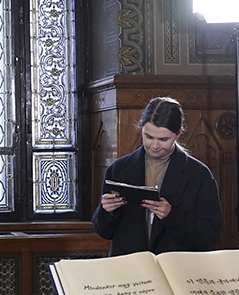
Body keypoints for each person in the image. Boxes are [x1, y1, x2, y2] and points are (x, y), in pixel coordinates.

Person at [92, 96, 221, 257]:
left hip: (177, 267)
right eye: (149, 137)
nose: (154, 145)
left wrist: (172, 216)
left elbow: (210, 235)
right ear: (141, 129)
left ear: (178, 134)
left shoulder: (199, 174)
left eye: (163, 139)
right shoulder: (119, 169)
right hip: (130, 266)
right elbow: (103, 231)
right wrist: (106, 211)